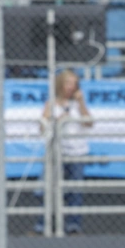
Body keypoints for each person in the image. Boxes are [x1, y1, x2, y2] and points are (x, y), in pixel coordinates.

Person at [36, 69, 92, 234]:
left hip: (77, 151)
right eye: (68, 83)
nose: (70, 87)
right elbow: (42, 126)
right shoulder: (51, 104)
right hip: (56, 151)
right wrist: (57, 120)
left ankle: (73, 224)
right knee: (48, 189)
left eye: (74, 84)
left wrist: (81, 103)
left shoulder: (78, 104)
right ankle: (43, 223)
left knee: (75, 190)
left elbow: (89, 123)